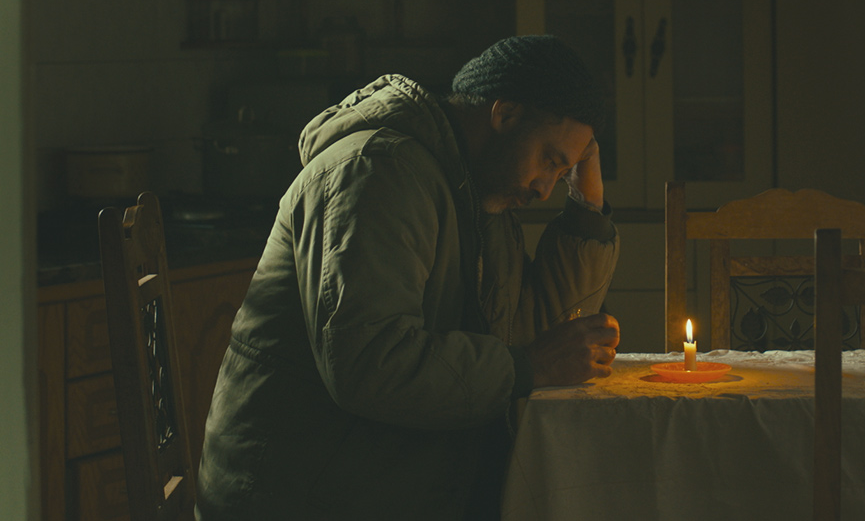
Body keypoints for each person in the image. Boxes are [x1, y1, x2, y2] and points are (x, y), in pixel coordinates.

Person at [195, 35, 621, 520]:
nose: (546, 187)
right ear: (504, 116)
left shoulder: (482, 193)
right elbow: (370, 362)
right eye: (549, 159)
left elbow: (530, 337)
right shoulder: (378, 171)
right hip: (301, 497)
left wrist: (587, 206)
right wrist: (526, 369)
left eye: (561, 170)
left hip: (379, 484)